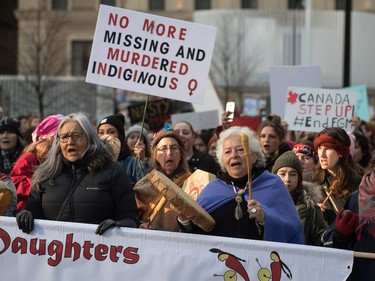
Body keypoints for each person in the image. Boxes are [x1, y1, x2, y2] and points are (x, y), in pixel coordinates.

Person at [15, 112, 139, 235]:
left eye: (76, 136)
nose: (70, 142)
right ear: (58, 141)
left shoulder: (113, 172)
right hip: (53, 253)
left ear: (90, 138)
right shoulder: (44, 175)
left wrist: (118, 226)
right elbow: (34, 216)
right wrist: (26, 215)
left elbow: (130, 218)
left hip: (97, 251)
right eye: (64, 137)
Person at [178, 126, 304, 244]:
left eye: (240, 150)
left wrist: (265, 218)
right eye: (228, 152)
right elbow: (197, 235)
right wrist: (185, 221)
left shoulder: (273, 184)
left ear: (254, 157)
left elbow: (291, 229)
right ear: (223, 160)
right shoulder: (212, 189)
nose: (234, 155)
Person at [133, 124, 191, 232]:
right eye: (163, 149)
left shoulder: (193, 183)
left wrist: (184, 221)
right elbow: (132, 218)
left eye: (174, 148)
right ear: (155, 155)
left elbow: (201, 227)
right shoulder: (143, 186)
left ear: (181, 153)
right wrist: (140, 225)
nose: (169, 153)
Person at [10, 114, 64, 210]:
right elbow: (15, 182)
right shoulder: (30, 157)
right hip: (27, 209)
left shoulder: (64, 155)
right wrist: (42, 186)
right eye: (63, 135)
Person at [272, 151, 327, 245]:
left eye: (293, 174)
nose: (287, 179)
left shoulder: (311, 208)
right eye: (282, 174)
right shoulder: (265, 204)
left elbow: (321, 240)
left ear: (299, 179)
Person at [313, 127, 361, 226]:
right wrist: (311, 210)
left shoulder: (359, 183)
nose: (322, 154)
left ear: (340, 153)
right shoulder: (309, 180)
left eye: (327, 149)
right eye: (319, 148)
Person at [97, 114, 151, 186]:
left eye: (111, 132)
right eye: (101, 133)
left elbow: (145, 186)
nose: (105, 136)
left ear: (120, 136)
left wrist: (142, 161)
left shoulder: (132, 163)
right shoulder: (92, 163)